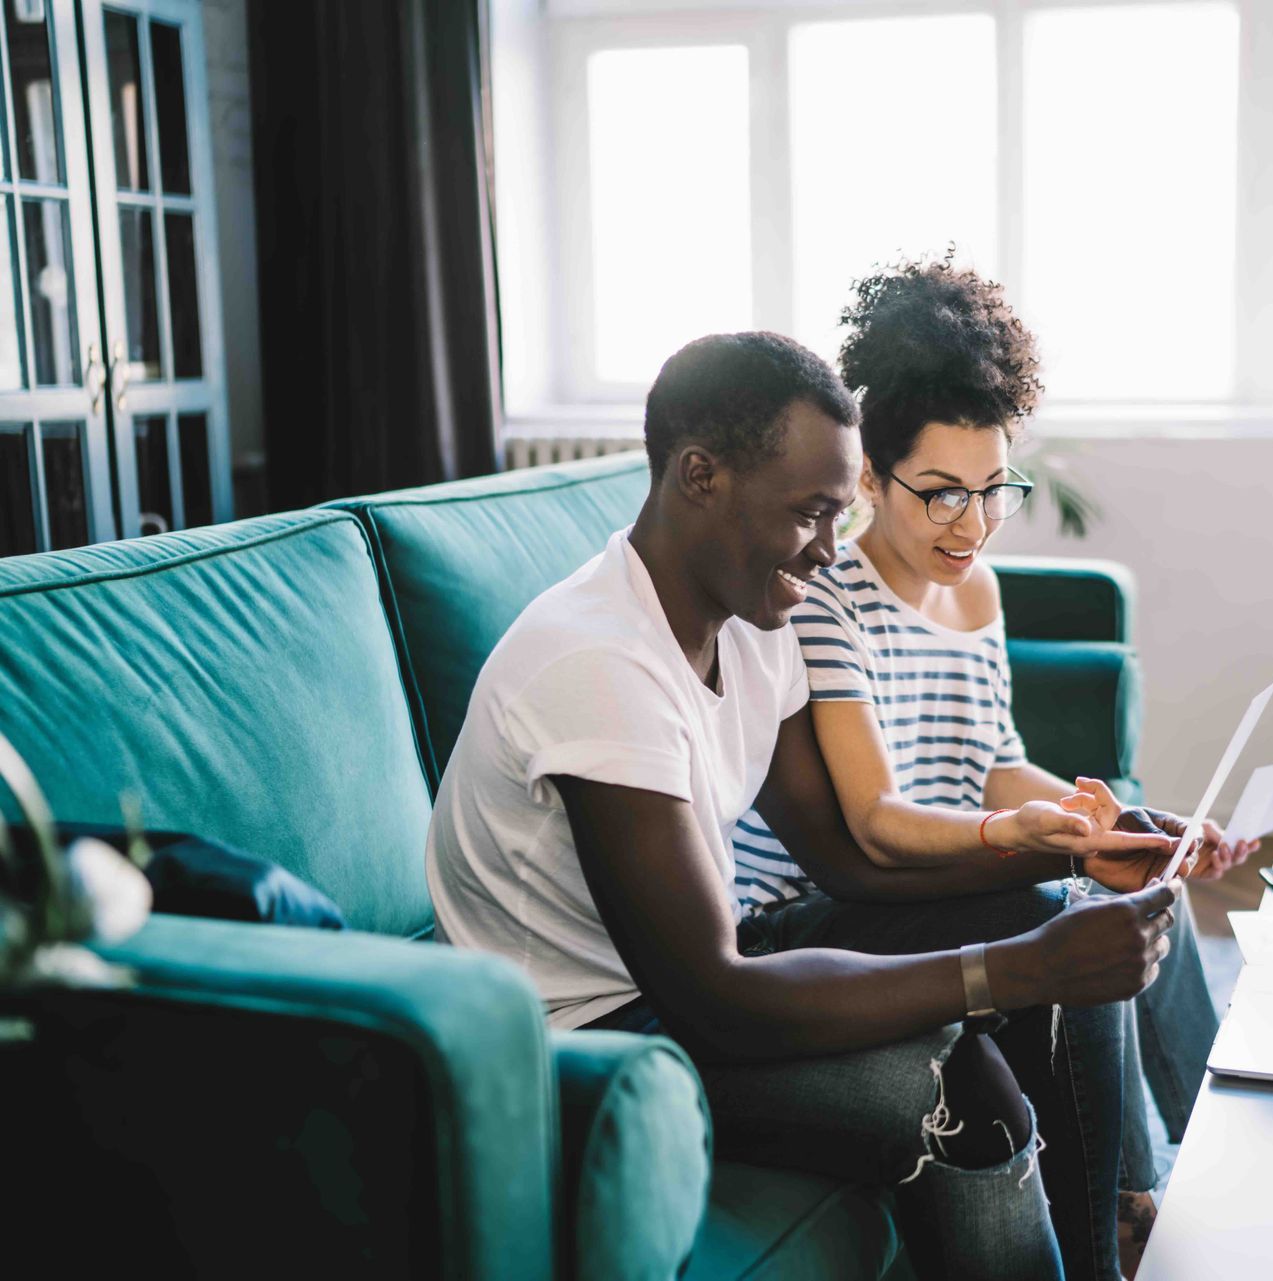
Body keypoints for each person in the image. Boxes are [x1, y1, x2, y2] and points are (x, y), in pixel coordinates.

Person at [426, 331, 1185, 1281]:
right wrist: (1012, 969)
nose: (831, 549)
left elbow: (844, 858)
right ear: (700, 475)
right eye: (812, 514)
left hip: (708, 969)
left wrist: (1071, 855)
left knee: (1065, 916)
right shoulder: (598, 664)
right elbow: (717, 998)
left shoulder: (752, 622)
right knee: (962, 1091)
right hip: (587, 1043)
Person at [729, 255, 1258, 1270]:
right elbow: (875, 816)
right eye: (937, 495)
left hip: (927, 878)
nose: (970, 526)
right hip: (809, 915)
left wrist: (1091, 817)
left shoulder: (976, 591)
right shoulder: (828, 597)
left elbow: (993, 760)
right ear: (870, 479)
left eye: (992, 491)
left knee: (1145, 876)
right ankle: (1114, 1222)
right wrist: (1029, 840)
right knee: (1083, 909)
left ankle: (1206, 1162)